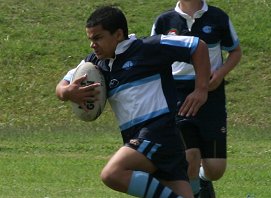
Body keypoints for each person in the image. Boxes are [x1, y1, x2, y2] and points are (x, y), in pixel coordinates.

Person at [56, 5, 211, 198]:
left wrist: (201, 90)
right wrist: (68, 92)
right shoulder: (96, 64)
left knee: (111, 174)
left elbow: (197, 46)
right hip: (145, 141)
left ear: (119, 34)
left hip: (157, 135)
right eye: (90, 39)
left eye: (98, 38)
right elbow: (62, 85)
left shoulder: (149, 48)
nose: (92, 45)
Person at [151, 0, 242, 197]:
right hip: (178, 96)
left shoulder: (218, 17)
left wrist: (220, 74)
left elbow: (235, 51)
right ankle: (194, 193)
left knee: (215, 169)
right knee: (189, 157)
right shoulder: (164, 21)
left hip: (211, 95)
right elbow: (153, 55)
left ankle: (203, 180)